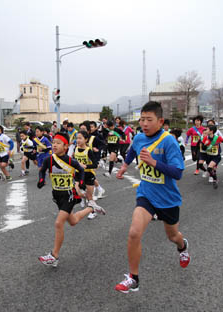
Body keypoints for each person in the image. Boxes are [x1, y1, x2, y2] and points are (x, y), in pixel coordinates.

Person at [115, 101, 189, 294]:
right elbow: (132, 149)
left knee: (173, 236)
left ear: (160, 120)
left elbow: (178, 173)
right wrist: (125, 166)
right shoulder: (139, 138)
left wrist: (154, 162)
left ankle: (183, 246)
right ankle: (133, 277)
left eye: (149, 119)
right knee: (134, 232)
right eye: (142, 119)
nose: (144, 123)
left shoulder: (169, 141)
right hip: (146, 194)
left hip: (168, 199)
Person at [37, 132, 106, 267]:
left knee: (58, 223)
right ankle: (92, 207)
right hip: (57, 195)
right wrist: (41, 179)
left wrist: (80, 182)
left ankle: (54, 255)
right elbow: (42, 170)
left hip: (69, 194)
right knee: (73, 221)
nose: (54, 145)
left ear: (65, 146)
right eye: (53, 142)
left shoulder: (70, 161)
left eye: (58, 143)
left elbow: (80, 170)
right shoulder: (49, 160)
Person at [73, 131, 101, 219]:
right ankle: (85, 198)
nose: (78, 140)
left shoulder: (88, 151)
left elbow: (95, 164)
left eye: (80, 138)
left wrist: (85, 166)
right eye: (77, 138)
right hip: (78, 174)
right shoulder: (75, 148)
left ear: (86, 140)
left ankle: (93, 211)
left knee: (89, 196)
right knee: (77, 191)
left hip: (88, 174)